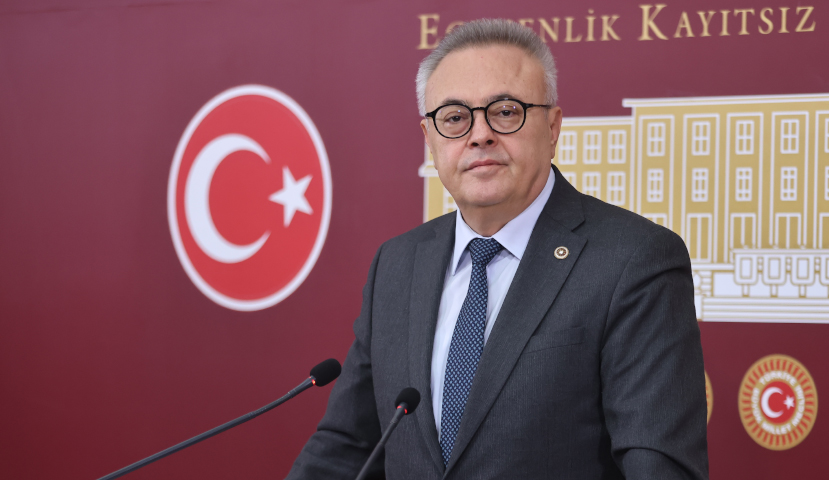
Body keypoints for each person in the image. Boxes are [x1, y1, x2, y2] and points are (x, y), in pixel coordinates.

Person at [287, 19, 708, 479]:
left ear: (553, 127)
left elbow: (657, 468)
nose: (480, 134)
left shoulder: (633, 260)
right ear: (429, 139)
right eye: (454, 118)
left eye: (506, 112)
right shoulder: (397, 263)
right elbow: (346, 447)